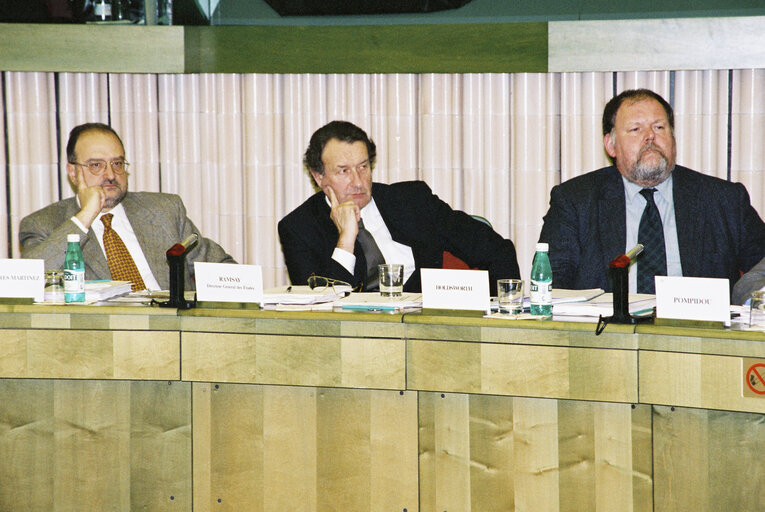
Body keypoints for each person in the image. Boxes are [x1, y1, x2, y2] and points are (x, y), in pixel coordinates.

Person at [538, 89, 765, 295]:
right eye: (636, 129)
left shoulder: (723, 200)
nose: (650, 137)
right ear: (611, 145)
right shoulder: (575, 200)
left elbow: (761, 268)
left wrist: (748, 303)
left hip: (699, 335)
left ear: (673, 140)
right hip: (607, 336)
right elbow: (551, 284)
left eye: (659, 127)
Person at [278, 120, 520, 293]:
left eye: (363, 167)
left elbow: (498, 250)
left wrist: (498, 312)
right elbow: (317, 307)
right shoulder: (299, 228)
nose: (357, 181)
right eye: (343, 171)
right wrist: (346, 239)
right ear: (319, 177)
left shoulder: (413, 201)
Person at [19, 122, 235, 290]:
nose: (111, 175)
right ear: (73, 172)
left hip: (172, 332)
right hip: (102, 339)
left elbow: (221, 269)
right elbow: (29, 280)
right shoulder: (42, 225)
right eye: (96, 165)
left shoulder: (164, 209)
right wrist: (85, 216)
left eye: (117, 163)